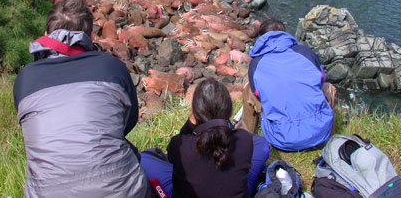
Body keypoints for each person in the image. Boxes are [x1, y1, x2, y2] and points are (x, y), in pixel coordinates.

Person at [13, 0, 151, 197]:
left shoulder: (25, 78)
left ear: (46, 34)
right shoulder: (110, 66)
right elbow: (128, 123)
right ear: (91, 36)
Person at [140, 78, 270, 198]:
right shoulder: (244, 140)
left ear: (195, 113)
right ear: (229, 110)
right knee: (261, 144)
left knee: (144, 157)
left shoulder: (180, 145)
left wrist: (190, 124)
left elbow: (177, 147)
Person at [236, 19, 335, 151]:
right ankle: (332, 136)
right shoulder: (306, 52)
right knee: (328, 87)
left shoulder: (257, 64)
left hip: (281, 137)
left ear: (262, 37)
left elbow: (257, 94)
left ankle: (246, 131)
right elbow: (320, 79)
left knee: (249, 83)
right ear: (285, 35)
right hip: (320, 133)